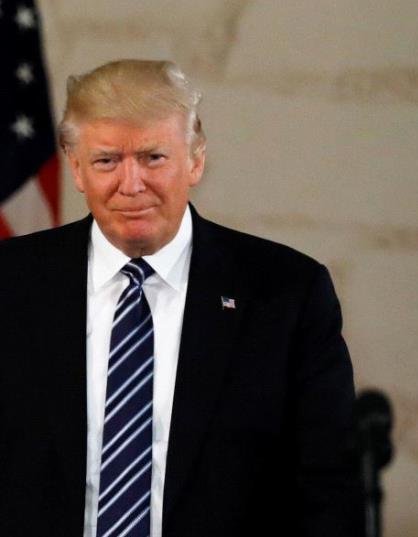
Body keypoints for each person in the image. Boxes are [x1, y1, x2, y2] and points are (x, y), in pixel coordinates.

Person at [0, 59, 363, 537]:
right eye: (107, 160)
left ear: (195, 160)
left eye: (153, 157)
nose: (131, 185)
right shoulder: (10, 284)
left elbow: (329, 496)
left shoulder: (285, 295)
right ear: (76, 168)